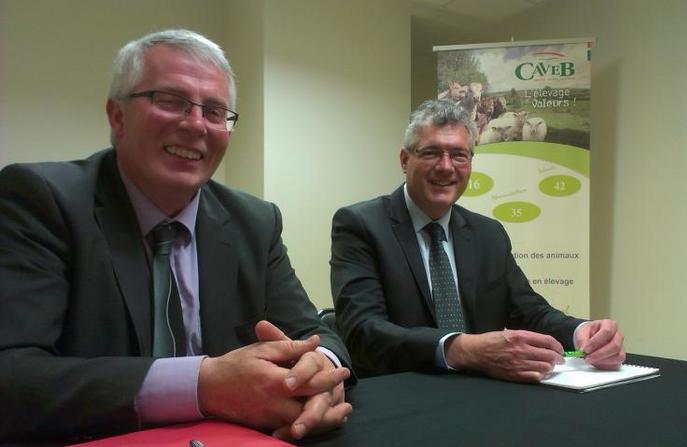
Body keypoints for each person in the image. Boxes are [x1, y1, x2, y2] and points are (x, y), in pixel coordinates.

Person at [0, 29, 353, 443]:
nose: (196, 125)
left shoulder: (254, 221)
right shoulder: (41, 199)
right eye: (171, 101)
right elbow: (12, 376)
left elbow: (316, 334)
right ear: (117, 116)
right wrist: (202, 383)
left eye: (216, 112)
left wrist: (319, 373)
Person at [330, 99, 625, 380]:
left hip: (483, 396)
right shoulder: (360, 225)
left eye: (459, 155)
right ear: (405, 160)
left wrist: (583, 331)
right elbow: (362, 332)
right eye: (432, 152)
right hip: (400, 397)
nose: (446, 166)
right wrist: (460, 349)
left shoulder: (489, 234)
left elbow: (529, 310)